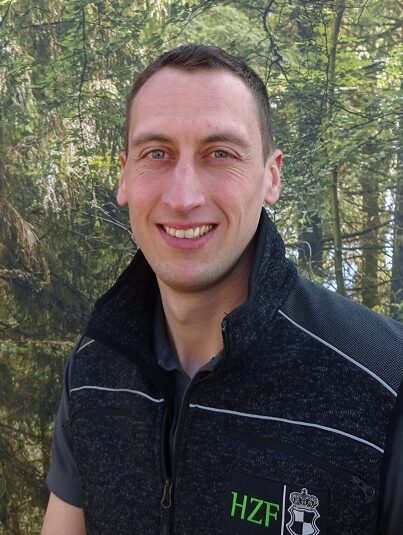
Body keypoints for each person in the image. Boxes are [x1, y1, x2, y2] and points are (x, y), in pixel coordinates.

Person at [41, 44, 403, 535]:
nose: (183, 196)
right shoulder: (94, 369)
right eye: (157, 154)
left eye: (220, 154)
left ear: (271, 177)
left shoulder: (385, 380)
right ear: (124, 174)